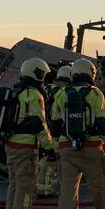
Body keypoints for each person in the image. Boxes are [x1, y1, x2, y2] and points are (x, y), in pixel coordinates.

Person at [50, 57, 105, 209]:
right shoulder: (95, 94)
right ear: (91, 74)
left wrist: (57, 147)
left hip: (67, 150)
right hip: (92, 149)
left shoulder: (61, 94)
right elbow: (104, 124)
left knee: (67, 192)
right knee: (101, 189)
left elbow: (55, 126)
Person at [5, 58, 56, 209]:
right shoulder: (33, 94)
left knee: (14, 184)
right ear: (36, 73)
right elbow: (38, 123)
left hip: (11, 145)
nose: (44, 78)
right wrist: (49, 147)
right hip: (25, 147)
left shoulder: (16, 91)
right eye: (43, 74)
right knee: (25, 187)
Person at [36, 65, 72, 198]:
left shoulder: (47, 88)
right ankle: (45, 189)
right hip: (54, 128)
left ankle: (43, 186)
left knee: (48, 156)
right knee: (52, 158)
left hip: (45, 126)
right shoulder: (62, 92)